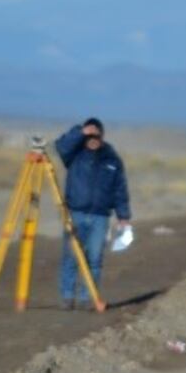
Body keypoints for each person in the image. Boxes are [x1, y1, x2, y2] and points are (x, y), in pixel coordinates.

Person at [54, 117, 132, 310]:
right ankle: (67, 297)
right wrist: (81, 131)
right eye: (90, 136)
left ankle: (87, 298)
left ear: (102, 136)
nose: (93, 140)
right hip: (76, 213)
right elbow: (61, 146)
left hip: (100, 217)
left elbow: (119, 190)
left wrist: (123, 216)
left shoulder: (112, 159)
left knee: (95, 260)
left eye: (96, 136)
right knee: (72, 257)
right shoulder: (74, 154)